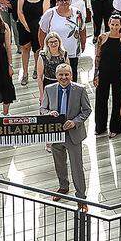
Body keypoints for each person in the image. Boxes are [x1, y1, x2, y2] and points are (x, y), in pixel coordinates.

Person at [40, 63, 91, 206]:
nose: (64, 77)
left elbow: (87, 110)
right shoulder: (49, 89)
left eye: (66, 74)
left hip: (73, 134)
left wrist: (75, 122)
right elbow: (43, 108)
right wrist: (48, 114)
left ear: (71, 75)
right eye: (61, 75)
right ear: (56, 76)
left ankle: (81, 197)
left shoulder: (80, 89)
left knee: (77, 166)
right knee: (59, 164)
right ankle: (63, 187)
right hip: (56, 134)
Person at [94, 14, 121, 136]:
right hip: (104, 72)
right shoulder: (102, 37)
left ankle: (116, 128)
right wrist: (96, 75)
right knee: (101, 100)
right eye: (113, 24)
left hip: (119, 72)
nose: (115, 27)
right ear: (109, 24)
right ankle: (100, 127)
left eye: (117, 25)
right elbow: (97, 57)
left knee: (119, 100)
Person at [40, 0, 86, 78]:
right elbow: (42, 32)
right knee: (57, 78)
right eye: (61, 0)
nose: (64, 2)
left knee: (72, 76)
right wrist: (44, 48)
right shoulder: (50, 14)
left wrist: (83, 43)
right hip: (55, 54)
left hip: (72, 52)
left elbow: (82, 29)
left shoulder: (77, 13)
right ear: (57, 2)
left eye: (66, 0)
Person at [16, 0, 50, 84]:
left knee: (37, 50)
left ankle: (36, 68)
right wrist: (25, 25)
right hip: (24, 25)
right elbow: (20, 11)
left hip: (38, 27)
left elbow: (45, 15)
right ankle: (25, 73)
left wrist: (40, 28)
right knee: (25, 48)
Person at [36, 32, 70, 98]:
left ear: (59, 42)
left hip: (63, 84)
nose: (53, 44)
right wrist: (41, 94)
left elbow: (68, 72)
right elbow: (39, 77)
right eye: (51, 42)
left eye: (55, 41)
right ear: (47, 44)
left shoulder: (64, 54)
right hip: (48, 85)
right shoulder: (43, 56)